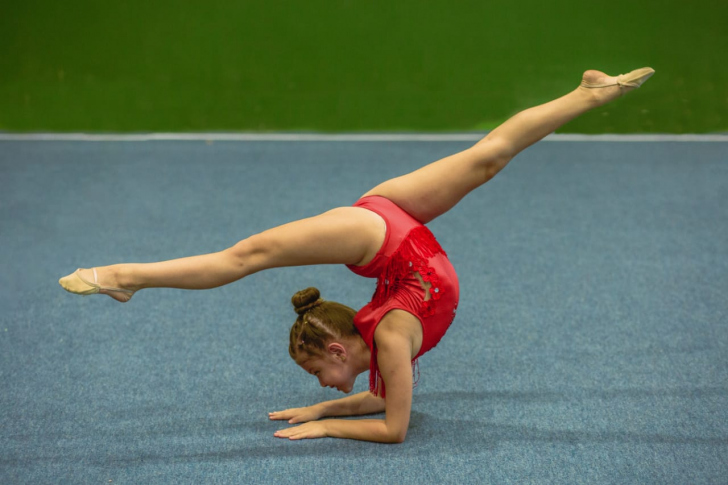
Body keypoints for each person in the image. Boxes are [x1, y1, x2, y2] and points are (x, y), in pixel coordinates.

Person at [59, 68, 654, 443]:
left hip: (383, 234)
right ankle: (127, 276)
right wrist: (326, 407)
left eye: (318, 372)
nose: (321, 379)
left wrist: (324, 418)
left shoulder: (384, 337)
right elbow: (386, 409)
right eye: (318, 375)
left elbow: (387, 416)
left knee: (249, 255)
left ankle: (589, 93)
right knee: (486, 159)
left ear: (339, 347)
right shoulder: (385, 340)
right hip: (396, 229)